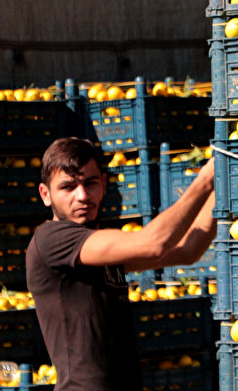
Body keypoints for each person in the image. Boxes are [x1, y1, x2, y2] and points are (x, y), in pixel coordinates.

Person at [25, 137, 217, 391]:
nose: (82, 196)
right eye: (68, 187)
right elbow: (153, 243)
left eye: (90, 183)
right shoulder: (51, 240)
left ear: (104, 184)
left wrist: (224, 184)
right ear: (45, 195)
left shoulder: (95, 247)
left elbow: (186, 251)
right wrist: (205, 180)